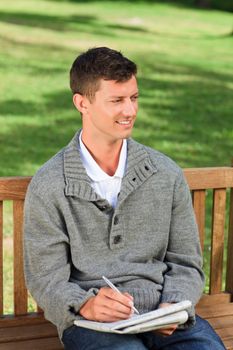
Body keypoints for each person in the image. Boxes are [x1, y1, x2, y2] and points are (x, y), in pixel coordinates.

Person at [24, 47, 226, 350]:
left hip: (165, 317)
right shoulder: (50, 184)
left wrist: (174, 304)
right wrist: (85, 304)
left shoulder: (165, 174)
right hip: (93, 323)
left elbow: (186, 263)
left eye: (134, 98)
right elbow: (46, 279)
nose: (130, 111)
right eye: (117, 100)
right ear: (82, 103)